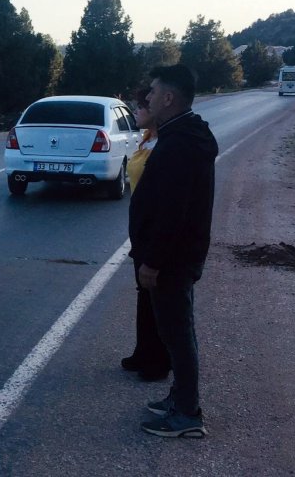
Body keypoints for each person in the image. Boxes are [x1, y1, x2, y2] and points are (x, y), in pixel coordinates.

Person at [129, 64, 217, 438]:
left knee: (178, 334)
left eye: (152, 91)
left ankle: (187, 413)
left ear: (168, 97)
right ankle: (180, 396)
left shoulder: (180, 144)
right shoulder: (179, 134)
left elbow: (172, 213)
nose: (146, 97)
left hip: (172, 259)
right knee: (176, 330)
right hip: (177, 255)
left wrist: (153, 261)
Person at [120, 88, 171, 381]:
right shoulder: (148, 139)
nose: (137, 111)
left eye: (141, 107)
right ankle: (143, 352)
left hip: (153, 228)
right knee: (144, 293)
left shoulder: (162, 144)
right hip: (140, 227)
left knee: (158, 297)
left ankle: (158, 361)